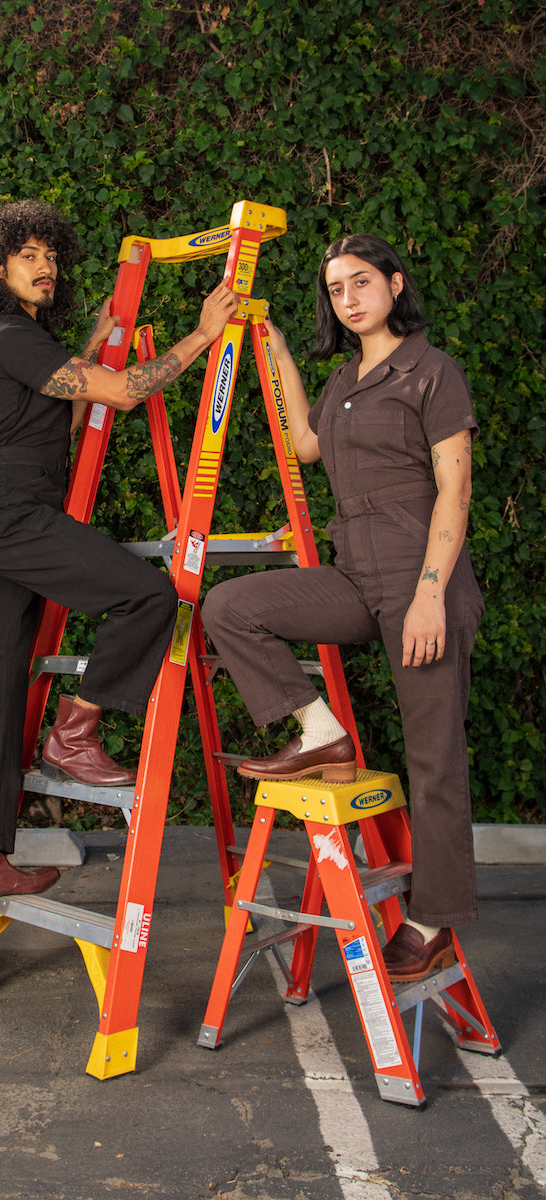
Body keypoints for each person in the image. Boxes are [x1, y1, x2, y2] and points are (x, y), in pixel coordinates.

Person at [202, 234, 484, 983]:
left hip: (423, 578)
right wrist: (281, 353)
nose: (349, 298)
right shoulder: (346, 380)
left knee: (432, 763)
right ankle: (319, 731)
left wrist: (430, 594)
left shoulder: (431, 371)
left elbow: (454, 488)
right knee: (229, 607)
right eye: (335, 289)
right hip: (355, 576)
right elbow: (304, 446)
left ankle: (432, 921)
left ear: (394, 283)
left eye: (361, 282)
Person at [0, 200, 239, 919]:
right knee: (148, 596)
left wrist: (99, 334)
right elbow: (121, 391)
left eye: (51, 255)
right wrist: (204, 335)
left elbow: (68, 412)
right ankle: (74, 732)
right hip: (10, 509)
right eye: (28, 256)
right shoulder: (5, 333)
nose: (45, 266)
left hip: (2, 510)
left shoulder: (19, 342)